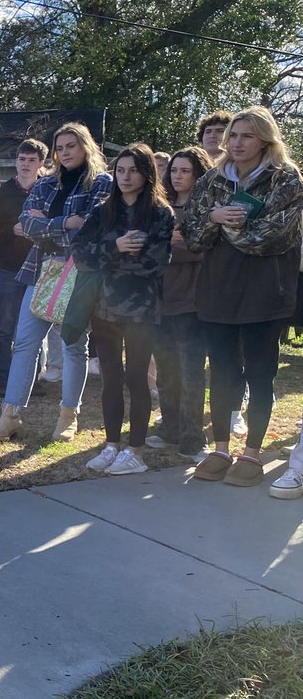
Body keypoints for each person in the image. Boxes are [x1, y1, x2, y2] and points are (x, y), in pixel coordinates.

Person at [182, 106, 303, 488]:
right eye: (233, 135)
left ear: (265, 139)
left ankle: (252, 452)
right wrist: (215, 219)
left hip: (266, 293)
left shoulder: (286, 179)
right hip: (218, 290)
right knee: (221, 373)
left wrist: (223, 221)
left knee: (260, 373)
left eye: (246, 136)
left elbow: (272, 238)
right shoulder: (214, 179)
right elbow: (193, 235)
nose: (235, 143)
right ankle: (220, 449)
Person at [0, 123, 113, 442]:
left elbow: (94, 227)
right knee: (26, 342)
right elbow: (26, 224)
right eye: (60, 147)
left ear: (86, 146)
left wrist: (51, 226)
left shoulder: (102, 183)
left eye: (72, 145)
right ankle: (10, 414)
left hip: (80, 273)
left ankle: (68, 416)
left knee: (73, 345)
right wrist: (67, 222)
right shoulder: (46, 184)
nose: (65, 152)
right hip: (41, 270)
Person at [70, 144, 174, 475]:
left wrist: (114, 258)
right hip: (103, 309)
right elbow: (81, 255)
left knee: (137, 379)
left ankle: (135, 451)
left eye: (133, 171)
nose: (125, 177)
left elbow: (157, 263)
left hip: (142, 310)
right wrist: (116, 247)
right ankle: (111, 444)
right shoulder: (103, 211)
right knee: (111, 379)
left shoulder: (160, 213)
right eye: (120, 170)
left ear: (147, 174)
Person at [146, 147, 211, 462]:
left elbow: (206, 249)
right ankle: (169, 427)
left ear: (199, 174)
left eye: (185, 170)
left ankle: (193, 437)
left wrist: (177, 245)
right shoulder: (160, 208)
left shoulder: (206, 209)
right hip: (160, 299)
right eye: (174, 170)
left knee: (191, 372)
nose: (178, 176)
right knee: (166, 372)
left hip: (193, 301)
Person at [0, 140, 46, 397]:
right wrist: (10, 229)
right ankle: (1, 379)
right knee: (5, 326)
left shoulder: (48, 191)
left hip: (39, 269)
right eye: (22, 159)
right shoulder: (2, 194)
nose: (25, 164)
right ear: (15, 161)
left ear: (41, 164)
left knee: (34, 328)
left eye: (31, 160)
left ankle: (31, 380)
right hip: (9, 269)